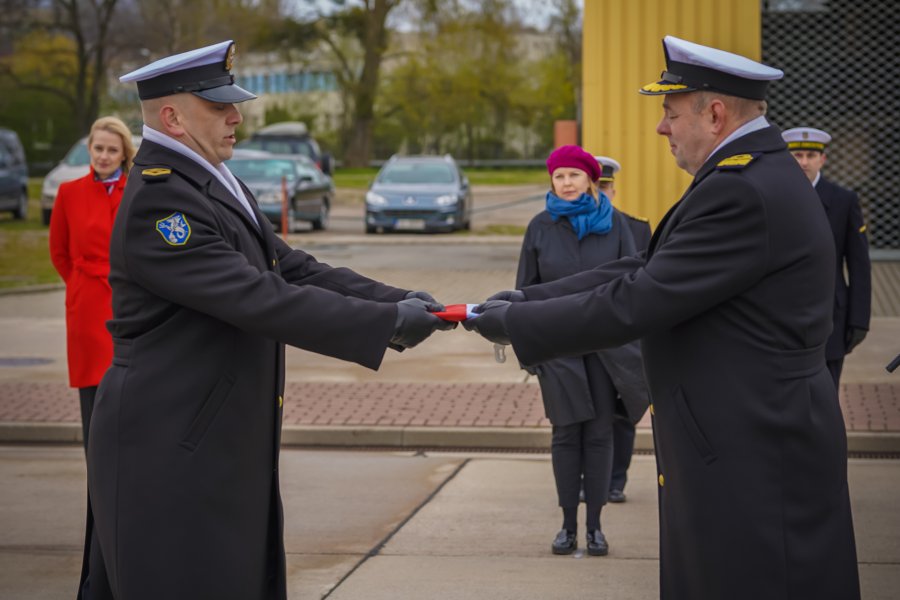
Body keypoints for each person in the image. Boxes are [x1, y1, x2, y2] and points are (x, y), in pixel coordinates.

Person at [465, 36, 860, 598]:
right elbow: (645, 264)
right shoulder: (746, 177)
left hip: (754, 443)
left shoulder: (743, 189)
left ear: (716, 113)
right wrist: (526, 301)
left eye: (670, 113)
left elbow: (639, 299)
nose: (661, 128)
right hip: (748, 432)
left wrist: (518, 326)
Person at [78, 40, 452, 600]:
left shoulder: (205, 178)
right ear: (173, 117)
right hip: (170, 449)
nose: (237, 116)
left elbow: (292, 268)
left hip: (206, 444)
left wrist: (399, 301)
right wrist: (386, 325)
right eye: (219, 106)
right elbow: (261, 298)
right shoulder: (163, 202)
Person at [515, 145, 649, 556]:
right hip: (558, 350)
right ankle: (567, 525)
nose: (567, 183)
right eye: (559, 176)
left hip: (606, 350)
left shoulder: (615, 227)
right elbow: (524, 292)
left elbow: (633, 285)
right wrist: (530, 353)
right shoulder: (540, 227)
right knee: (566, 434)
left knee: (599, 434)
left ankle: (595, 527)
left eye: (574, 175)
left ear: (591, 180)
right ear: (551, 182)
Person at [48, 116, 136, 453]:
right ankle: (97, 479)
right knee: (93, 394)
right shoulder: (69, 194)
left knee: (128, 388)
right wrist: (77, 286)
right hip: (86, 305)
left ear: (123, 154)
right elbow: (59, 252)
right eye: (98, 148)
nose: (103, 156)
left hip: (127, 301)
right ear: (89, 149)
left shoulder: (136, 193)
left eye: (111, 150)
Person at [782, 126, 871, 388]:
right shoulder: (774, 196)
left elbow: (858, 264)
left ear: (823, 159)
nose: (804, 162)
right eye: (797, 156)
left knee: (826, 395)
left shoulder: (844, 200)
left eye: (811, 155)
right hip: (783, 315)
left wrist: (859, 319)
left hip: (830, 316)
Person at [593, 155, 651, 504]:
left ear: (614, 189)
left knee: (623, 411)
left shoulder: (638, 228)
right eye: (594, 186)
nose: (600, 193)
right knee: (590, 413)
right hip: (587, 332)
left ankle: (616, 480)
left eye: (605, 187)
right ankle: (591, 479)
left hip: (624, 336)